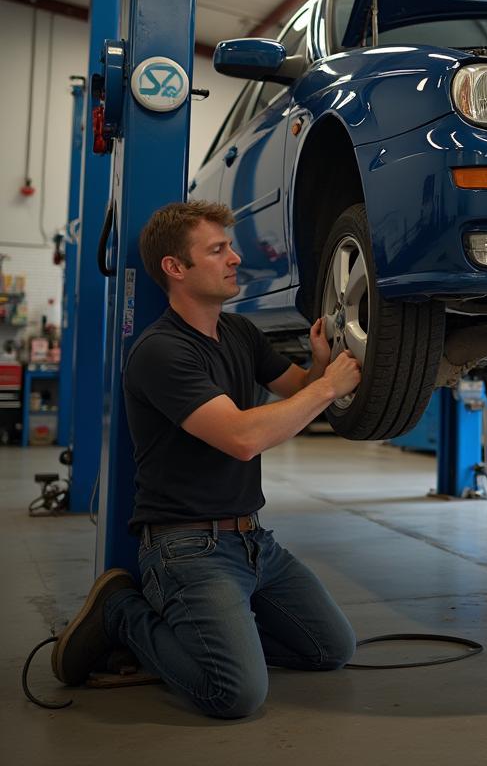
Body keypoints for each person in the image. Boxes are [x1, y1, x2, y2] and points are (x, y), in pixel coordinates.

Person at [51, 200, 362, 718]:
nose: (235, 258)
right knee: (235, 694)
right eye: (217, 250)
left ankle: (217, 636)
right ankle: (122, 615)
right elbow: (242, 438)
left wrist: (320, 367)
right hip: (186, 548)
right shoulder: (161, 352)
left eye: (230, 247)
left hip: (253, 541)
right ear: (176, 268)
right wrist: (328, 389)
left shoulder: (240, 333)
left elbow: (298, 391)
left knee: (333, 649)